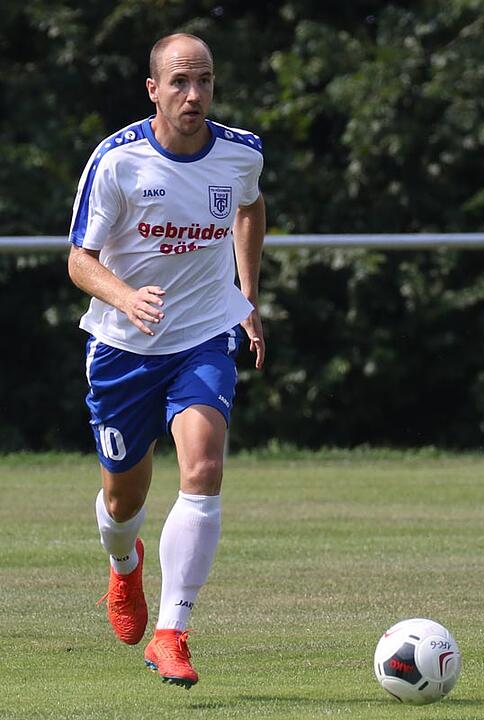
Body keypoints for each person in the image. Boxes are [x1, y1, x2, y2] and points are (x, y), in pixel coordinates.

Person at [67, 33, 266, 688]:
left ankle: (173, 633)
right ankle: (124, 568)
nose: (193, 94)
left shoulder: (240, 154)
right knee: (124, 499)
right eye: (179, 81)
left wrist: (246, 296)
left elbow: (250, 207)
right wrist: (126, 297)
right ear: (153, 89)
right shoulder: (118, 162)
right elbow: (79, 261)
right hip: (123, 349)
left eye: (203, 81)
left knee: (204, 463)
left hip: (203, 336)